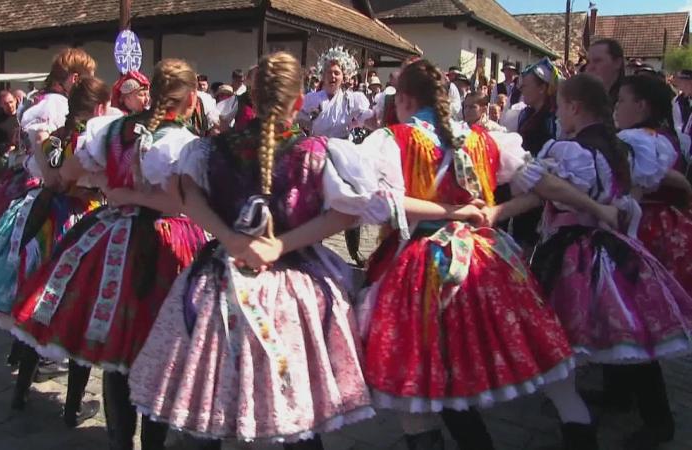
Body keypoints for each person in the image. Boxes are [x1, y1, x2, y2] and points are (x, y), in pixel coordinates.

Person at [128, 50, 386, 450]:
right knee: (300, 411)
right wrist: (281, 244)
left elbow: (188, 197)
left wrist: (228, 238)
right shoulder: (316, 152)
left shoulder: (208, 149)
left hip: (221, 279)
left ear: (252, 96)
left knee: (211, 397)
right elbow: (346, 215)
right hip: (294, 289)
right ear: (300, 101)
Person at [360, 59, 616, 450]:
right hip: (488, 259)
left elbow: (384, 203)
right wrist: (600, 210)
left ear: (406, 100)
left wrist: (452, 212)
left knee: (415, 382)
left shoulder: (395, 140)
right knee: (520, 361)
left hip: (422, 266)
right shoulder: (486, 139)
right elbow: (546, 184)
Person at [9, 59, 207, 450]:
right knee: (157, 347)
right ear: (190, 98)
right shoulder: (180, 142)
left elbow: (66, 174)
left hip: (114, 236)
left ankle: (121, 440)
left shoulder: (113, 130)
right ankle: (150, 441)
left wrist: (109, 185)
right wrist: (129, 191)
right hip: (165, 242)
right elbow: (172, 202)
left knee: (119, 345)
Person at [493, 73, 692, 450]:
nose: (560, 114)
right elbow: (629, 196)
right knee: (625, 333)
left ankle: (584, 421)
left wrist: (495, 212)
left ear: (574, 107)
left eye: (562, 106)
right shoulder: (621, 147)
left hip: (576, 251)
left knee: (565, 336)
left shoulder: (574, 151)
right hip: (615, 247)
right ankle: (622, 408)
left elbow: (543, 191)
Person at [0, 77, 110, 429]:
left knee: (37, 305)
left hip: (46, 224)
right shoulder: (93, 141)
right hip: (81, 224)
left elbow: (45, 176)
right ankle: (71, 408)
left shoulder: (55, 138)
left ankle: (21, 392)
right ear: (101, 108)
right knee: (77, 312)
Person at [0, 47, 96, 255]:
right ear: (74, 78)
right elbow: (40, 142)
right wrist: (52, 178)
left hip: (32, 180)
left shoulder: (41, 99)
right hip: (43, 187)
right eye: (87, 80)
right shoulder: (56, 103)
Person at [615, 74, 692, 294]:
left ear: (641, 105)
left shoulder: (638, 140)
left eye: (621, 101)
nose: (617, 107)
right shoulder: (663, 137)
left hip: (646, 227)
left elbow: (641, 184)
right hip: (672, 224)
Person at [297, 46, 374, 266]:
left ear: (344, 76)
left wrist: (375, 121)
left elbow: (366, 119)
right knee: (316, 201)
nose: (333, 76)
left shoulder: (352, 100)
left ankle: (355, 250)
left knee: (352, 197)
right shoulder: (312, 99)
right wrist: (306, 121)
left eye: (337, 73)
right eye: (329, 72)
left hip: (343, 152)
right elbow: (296, 120)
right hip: (317, 151)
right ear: (322, 75)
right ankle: (315, 244)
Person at [507, 58, 562, 249]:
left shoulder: (554, 118)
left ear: (542, 88)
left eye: (526, 85)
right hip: (524, 182)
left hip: (542, 187)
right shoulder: (525, 114)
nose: (521, 89)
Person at [586, 38, 625, 104]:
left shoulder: (628, 100)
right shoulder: (584, 97)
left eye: (597, 61)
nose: (589, 67)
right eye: (588, 62)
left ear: (617, 63)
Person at [0, 91, 20, 173]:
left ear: (15, 100)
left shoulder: (23, 117)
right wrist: (6, 147)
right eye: (6, 103)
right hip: (6, 158)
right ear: (1, 104)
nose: (9, 105)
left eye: (11, 102)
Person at [671, 69, 692, 159]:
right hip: (684, 146)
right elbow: (677, 124)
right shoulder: (677, 101)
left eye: (680, 80)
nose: (677, 83)